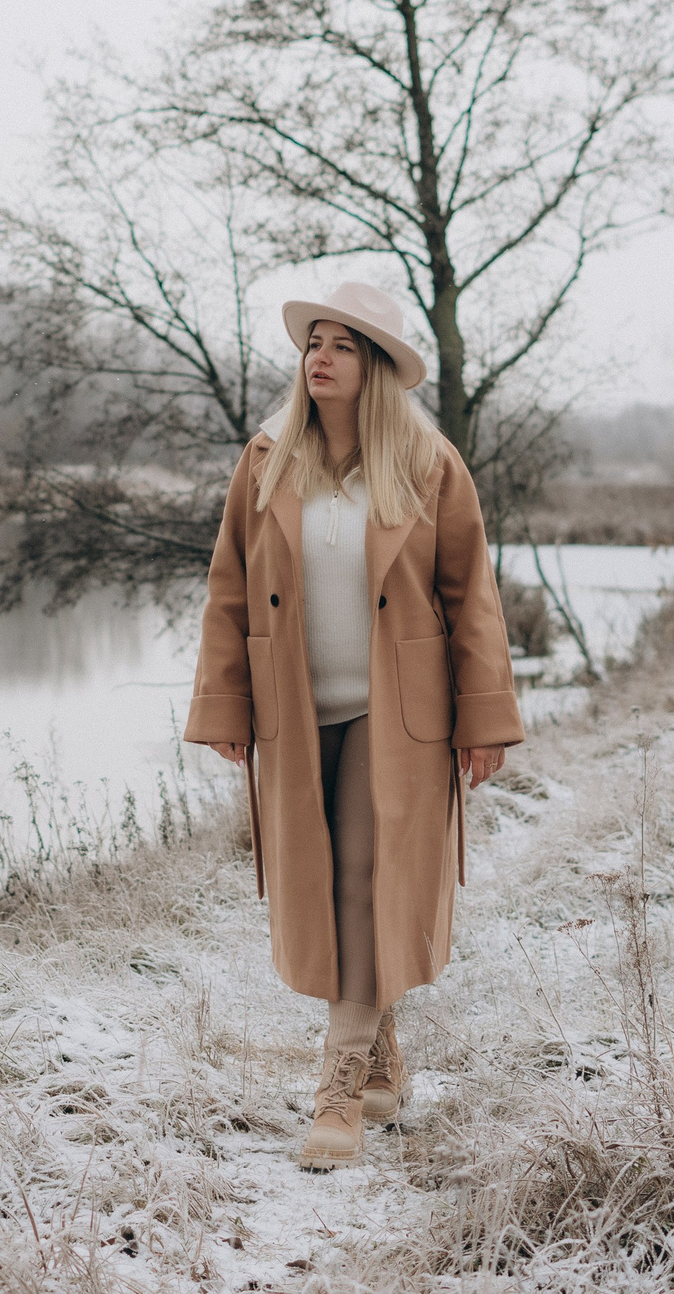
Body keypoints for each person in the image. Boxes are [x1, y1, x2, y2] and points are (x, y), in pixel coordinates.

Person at [184, 280, 521, 1171]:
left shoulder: (427, 463)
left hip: (397, 712)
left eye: (343, 344)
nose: (320, 356)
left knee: (366, 881)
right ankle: (380, 1048)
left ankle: (336, 1092)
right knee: (321, 886)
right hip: (294, 709)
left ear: (376, 367)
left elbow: (471, 598)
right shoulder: (266, 459)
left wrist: (484, 719)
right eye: (314, 342)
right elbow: (228, 588)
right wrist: (224, 703)